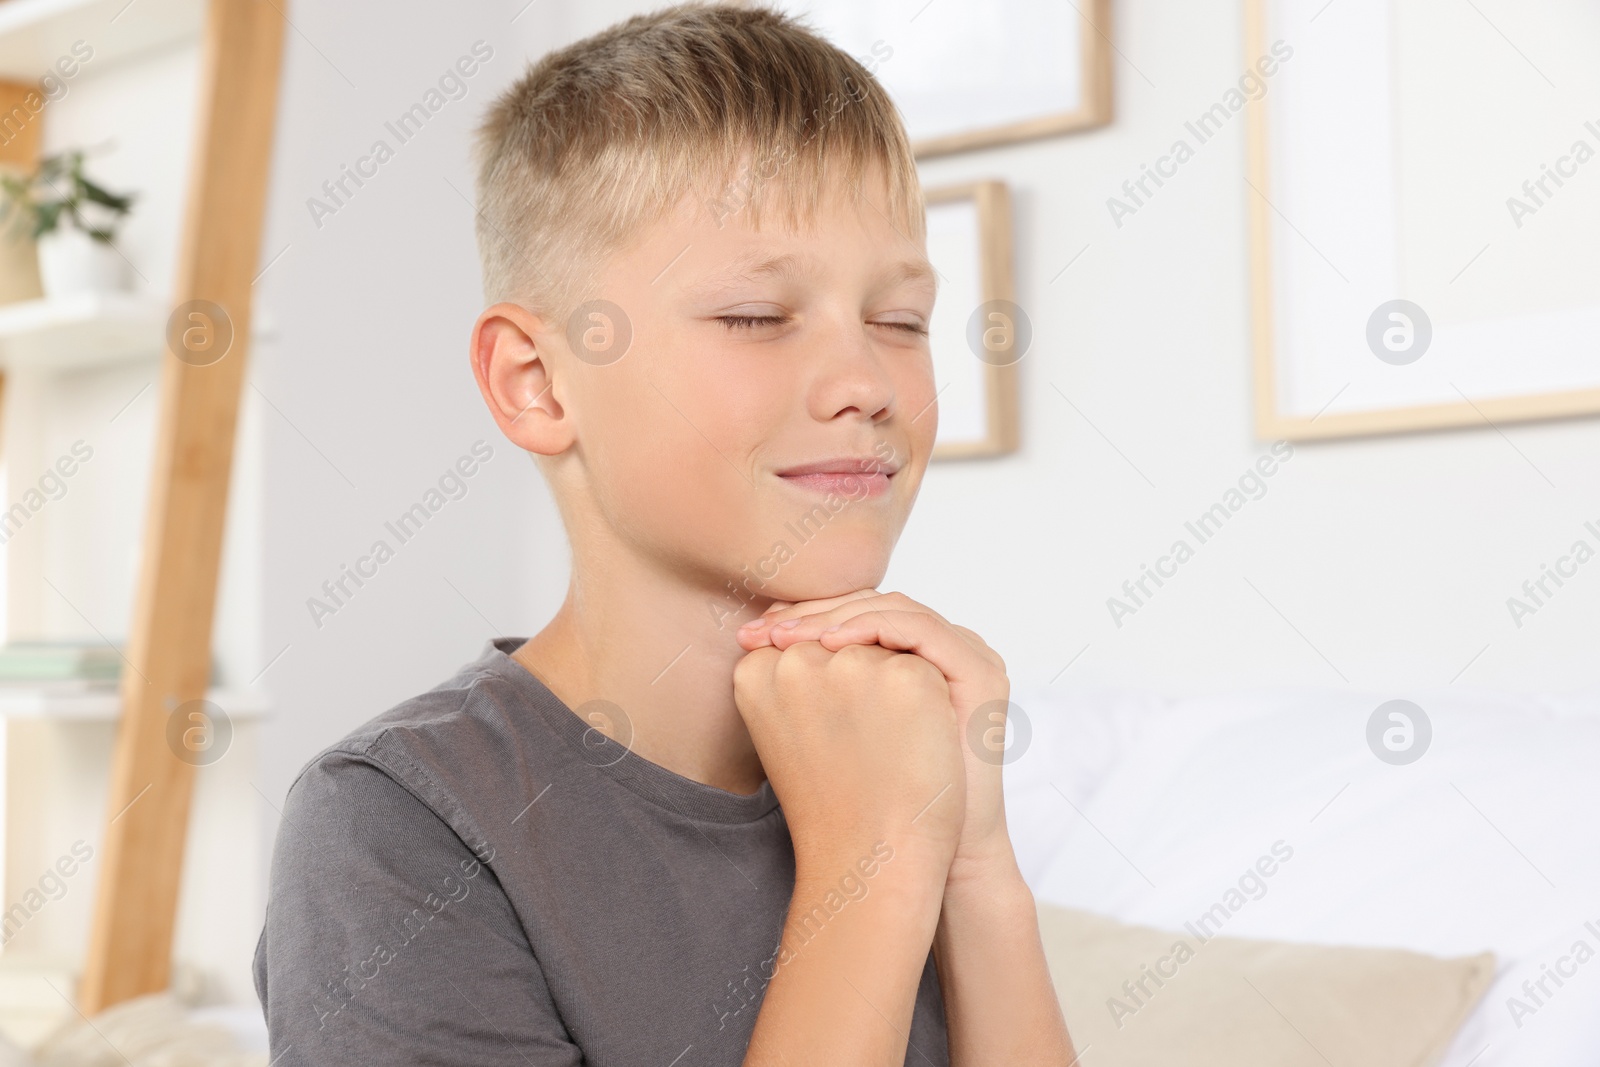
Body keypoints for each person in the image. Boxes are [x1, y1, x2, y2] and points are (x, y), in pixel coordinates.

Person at [254, 4, 1074, 1063]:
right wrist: (867, 868)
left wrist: (974, 865)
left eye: (900, 320)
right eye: (754, 315)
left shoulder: (903, 751)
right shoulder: (396, 828)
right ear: (538, 382)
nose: (866, 382)